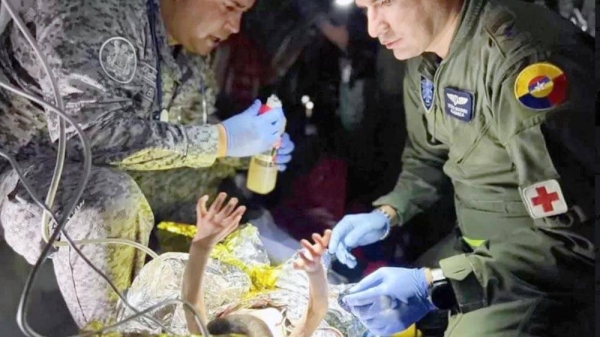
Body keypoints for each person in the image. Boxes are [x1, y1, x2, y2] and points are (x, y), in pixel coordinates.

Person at [0, 0, 294, 328]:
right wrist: (222, 140)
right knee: (112, 201)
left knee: (215, 207)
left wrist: (247, 150)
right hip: (27, 172)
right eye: (229, 6)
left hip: (111, 171)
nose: (236, 26)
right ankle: (116, 332)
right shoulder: (97, 9)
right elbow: (89, 135)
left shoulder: (182, 53)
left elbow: (178, 135)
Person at [328, 0, 596, 336]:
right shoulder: (426, 57)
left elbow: (576, 241)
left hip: (540, 267)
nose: (373, 27)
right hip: (477, 245)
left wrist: (435, 283)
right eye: (365, 8)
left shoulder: (522, 61)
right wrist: (389, 211)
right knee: (364, 314)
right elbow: (427, 158)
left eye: (384, 2)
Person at [114, 192, 354, 337]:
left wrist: (202, 244)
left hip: (238, 297)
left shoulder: (203, 331)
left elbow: (190, 299)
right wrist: (314, 273)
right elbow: (317, 308)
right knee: (319, 263)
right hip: (290, 302)